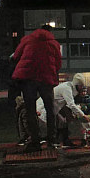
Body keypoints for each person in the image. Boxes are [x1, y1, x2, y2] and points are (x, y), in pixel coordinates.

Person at [11, 24, 62, 152]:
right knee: (50, 109)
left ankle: (35, 140)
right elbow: (58, 63)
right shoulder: (54, 43)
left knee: (30, 110)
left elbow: (16, 55)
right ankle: (52, 139)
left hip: (28, 78)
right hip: (46, 79)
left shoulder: (27, 39)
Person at [37, 74, 90, 148]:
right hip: (43, 108)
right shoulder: (67, 88)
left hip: (52, 108)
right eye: (81, 86)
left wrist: (73, 113)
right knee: (50, 126)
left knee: (62, 122)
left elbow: (66, 104)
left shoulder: (70, 88)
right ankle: (51, 142)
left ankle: (64, 141)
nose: (82, 88)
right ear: (76, 85)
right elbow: (71, 104)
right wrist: (83, 115)